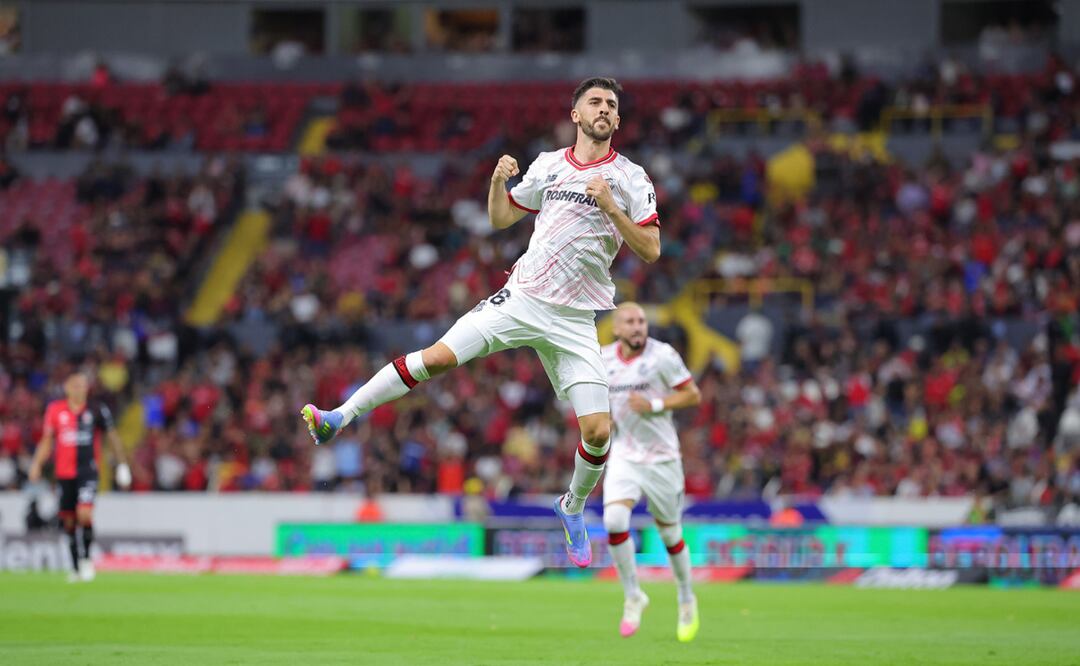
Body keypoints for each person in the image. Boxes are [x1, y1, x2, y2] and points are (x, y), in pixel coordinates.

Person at [301, 76, 661, 567]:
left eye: (611, 104)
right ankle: (338, 417)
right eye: (594, 102)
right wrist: (497, 183)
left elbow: (651, 249)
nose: (603, 109)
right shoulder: (549, 165)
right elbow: (501, 218)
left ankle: (572, 506)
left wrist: (613, 209)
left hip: (576, 319)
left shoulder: (631, 178)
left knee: (598, 432)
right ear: (576, 115)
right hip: (522, 299)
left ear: (617, 119)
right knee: (436, 358)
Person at [601, 302, 702, 641]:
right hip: (625, 454)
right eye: (630, 321)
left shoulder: (663, 356)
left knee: (670, 535)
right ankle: (633, 596)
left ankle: (686, 598)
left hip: (662, 458)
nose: (637, 326)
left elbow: (692, 395)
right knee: (614, 521)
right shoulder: (602, 359)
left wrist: (654, 404)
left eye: (641, 321)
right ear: (616, 328)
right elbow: (600, 404)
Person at [29, 371, 131, 582]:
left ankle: (86, 560)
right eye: (75, 385)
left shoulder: (97, 409)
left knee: (84, 514)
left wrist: (122, 464)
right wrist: (37, 464)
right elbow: (47, 440)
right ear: (67, 388)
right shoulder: (55, 410)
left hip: (88, 472)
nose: (79, 389)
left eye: (83, 385)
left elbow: (112, 437)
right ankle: (75, 565)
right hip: (64, 474)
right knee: (68, 520)